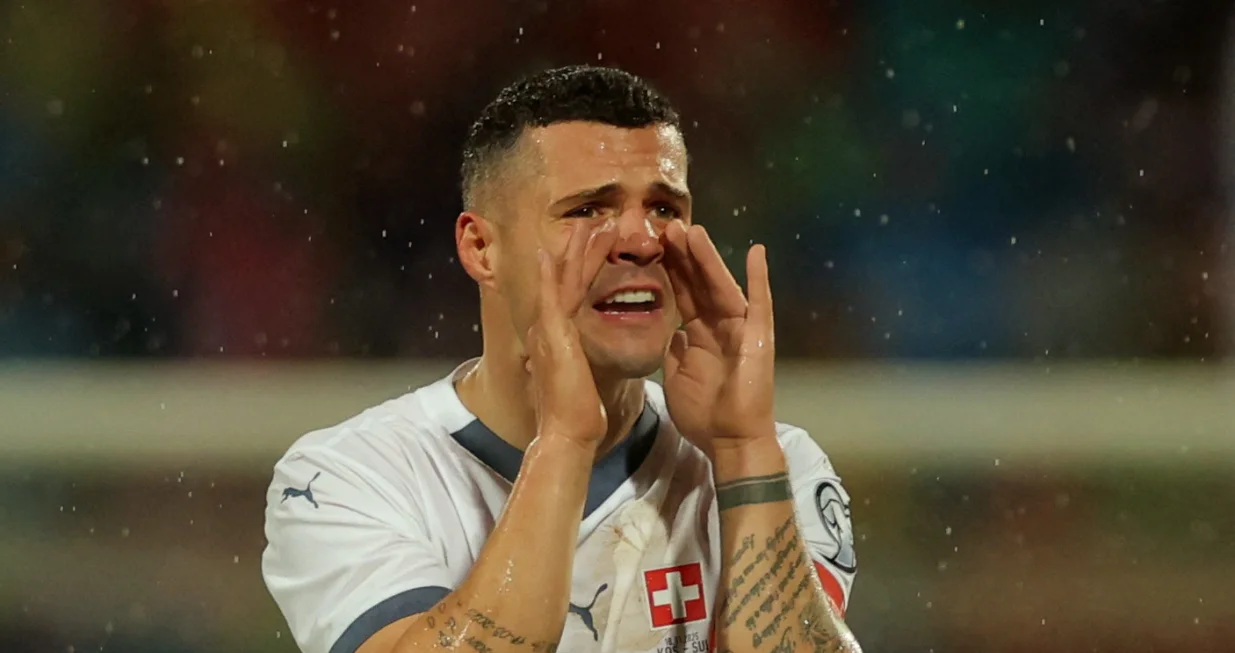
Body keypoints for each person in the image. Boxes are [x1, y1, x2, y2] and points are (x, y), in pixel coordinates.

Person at [262, 65, 861, 653]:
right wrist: (565, 444)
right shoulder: (350, 478)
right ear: (481, 247)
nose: (642, 241)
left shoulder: (776, 467)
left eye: (663, 209)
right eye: (588, 210)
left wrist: (743, 450)